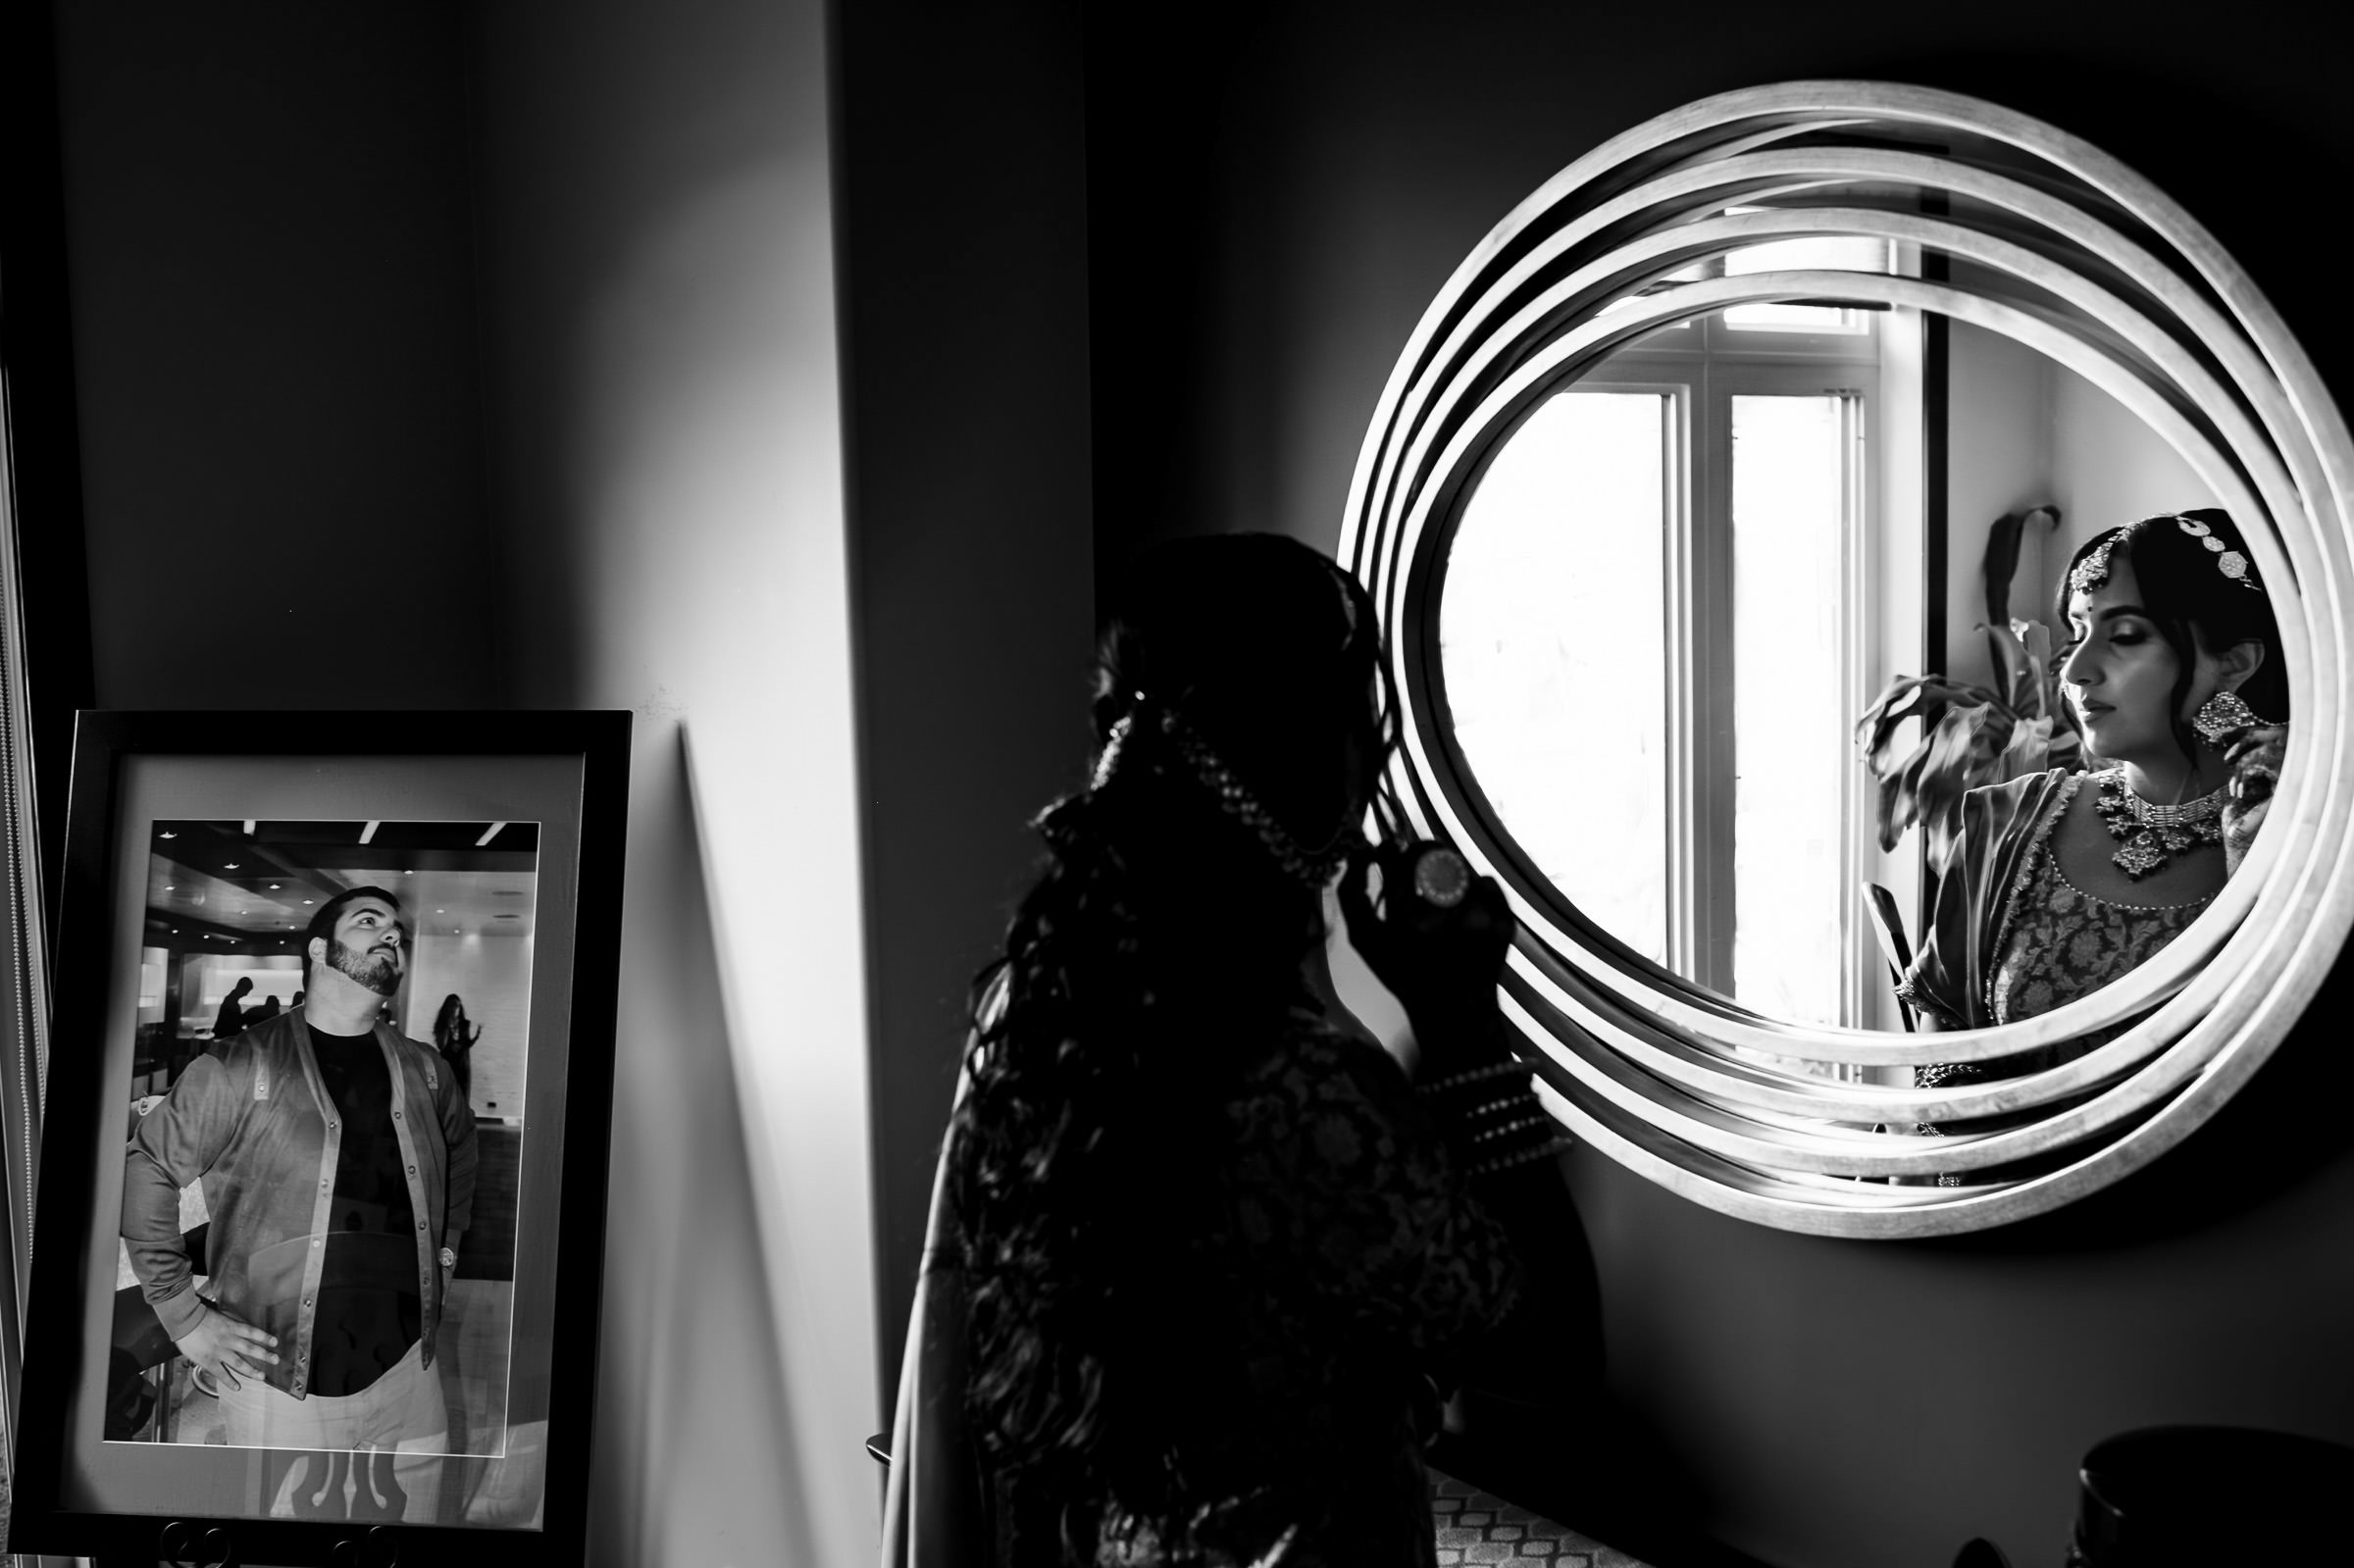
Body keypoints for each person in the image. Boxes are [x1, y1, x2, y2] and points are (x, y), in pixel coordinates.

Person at [881, 534, 1597, 1567]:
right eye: (1364, 725)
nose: (1377, 766)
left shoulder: (1044, 1014)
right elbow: (1558, 1356)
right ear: (1312, 752)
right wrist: (1463, 1029)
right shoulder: (1300, 1093)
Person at [1898, 509, 2287, 1170]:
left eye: (2126, 635)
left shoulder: (2293, 841)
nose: (2075, 669)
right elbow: (1942, 1025)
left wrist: (2259, 839)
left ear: (2236, 663)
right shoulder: (2008, 821)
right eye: (2078, 633)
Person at [123, 885, 479, 1520]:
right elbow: (146, 1167)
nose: (391, 932)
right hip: (278, 1381)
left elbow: (461, 1154)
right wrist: (183, 1313)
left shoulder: (427, 1071)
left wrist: (444, 1251)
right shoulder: (238, 1065)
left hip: (408, 1371)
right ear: (318, 948)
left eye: (397, 926)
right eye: (369, 921)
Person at [433, 993, 483, 1103]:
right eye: (452, 1005)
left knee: (462, 1094)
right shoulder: (442, 1024)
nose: (455, 1008)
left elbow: (467, 1044)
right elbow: (441, 1045)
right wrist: (447, 1026)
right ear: (446, 1007)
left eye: (457, 1005)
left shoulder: (464, 1024)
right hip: (447, 1063)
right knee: (446, 1094)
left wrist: (477, 1036)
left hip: (461, 1064)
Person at [212, 975, 254, 1040]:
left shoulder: (230, 1000)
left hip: (221, 1036)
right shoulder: (231, 1002)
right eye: (247, 991)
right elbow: (232, 1025)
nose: (246, 994)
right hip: (223, 1038)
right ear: (242, 988)